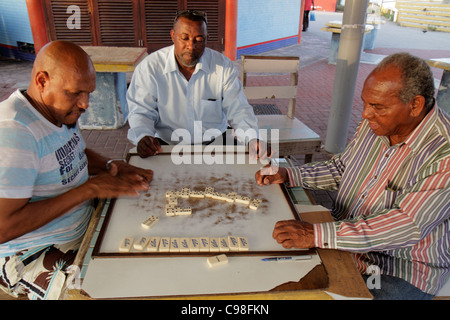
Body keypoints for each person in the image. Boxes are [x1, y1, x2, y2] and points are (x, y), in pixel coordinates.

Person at [255, 53, 449, 299]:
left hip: (398, 269)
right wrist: (289, 174)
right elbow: (341, 168)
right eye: (365, 103)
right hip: (343, 244)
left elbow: (408, 225)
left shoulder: (444, 152)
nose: (366, 114)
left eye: (377, 107)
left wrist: (315, 234)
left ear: (415, 105)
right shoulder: (375, 125)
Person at [0, 40, 154, 300]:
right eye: (75, 93)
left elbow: (76, 152)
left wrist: (110, 165)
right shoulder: (15, 132)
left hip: (82, 223)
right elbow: (4, 227)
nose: (84, 104)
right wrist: (88, 189)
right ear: (41, 81)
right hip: (33, 250)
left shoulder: (58, 112)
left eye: (89, 93)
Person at [127, 10, 266, 158]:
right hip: (166, 145)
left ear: (206, 39)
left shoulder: (222, 66)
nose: (191, 46)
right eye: (184, 38)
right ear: (173, 36)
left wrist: (252, 138)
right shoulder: (151, 67)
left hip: (215, 143)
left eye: (198, 40)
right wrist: (143, 136)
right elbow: (141, 111)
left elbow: (239, 109)